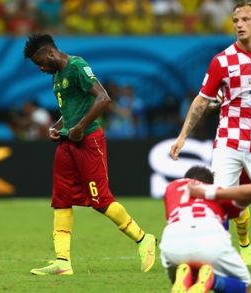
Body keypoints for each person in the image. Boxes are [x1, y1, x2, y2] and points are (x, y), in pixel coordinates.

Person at [170, 1, 251, 281]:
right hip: (229, 140)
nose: (239, 24)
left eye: (245, 19)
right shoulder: (222, 61)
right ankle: (219, 266)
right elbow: (202, 100)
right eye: (236, 19)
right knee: (221, 202)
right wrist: (182, 136)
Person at [23, 33, 156, 275]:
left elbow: (104, 98)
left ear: (50, 54)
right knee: (61, 199)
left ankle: (143, 239)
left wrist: (81, 127)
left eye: (41, 63)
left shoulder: (76, 66)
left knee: (100, 200)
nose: (41, 68)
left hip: (88, 141)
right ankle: (62, 262)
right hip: (67, 142)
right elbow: (72, 110)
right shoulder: (57, 77)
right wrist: (57, 127)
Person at [160, 165, 251, 293]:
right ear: (210, 183)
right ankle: (212, 281)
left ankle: (187, 273)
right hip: (208, 235)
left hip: (172, 239)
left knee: (183, 278)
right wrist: (208, 193)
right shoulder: (217, 192)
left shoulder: (172, 187)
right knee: (245, 286)